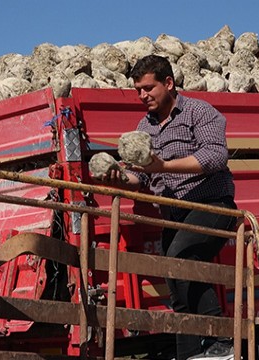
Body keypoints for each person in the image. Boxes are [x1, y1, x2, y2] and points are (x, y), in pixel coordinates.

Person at [99, 54, 238, 360]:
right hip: (173, 214)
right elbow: (139, 177)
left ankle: (224, 341)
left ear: (169, 83)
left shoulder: (199, 112)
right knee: (174, 279)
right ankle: (189, 353)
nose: (142, 95)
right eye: (138, 89)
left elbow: (216, 156)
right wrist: (118, 179)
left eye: (148, 88)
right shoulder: (143, 126)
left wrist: (164, 165)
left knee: (181, 259)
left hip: (212, 204)